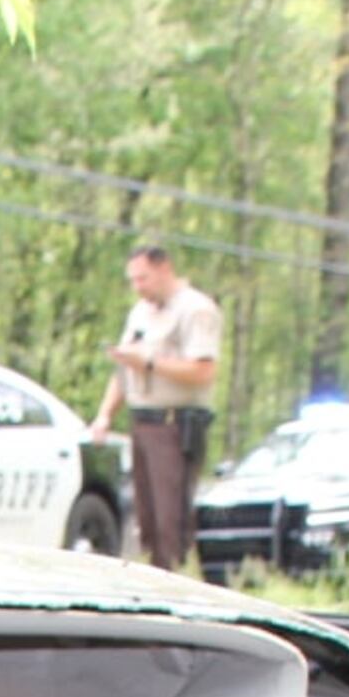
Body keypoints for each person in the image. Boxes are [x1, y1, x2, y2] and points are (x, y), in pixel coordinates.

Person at [85, 243, 222, 572]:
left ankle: (175, 583)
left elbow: (203, 371)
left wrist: (149, 363)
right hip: (142, 422)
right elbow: (124, 369)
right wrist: (105, 415)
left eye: (143, 278)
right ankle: (151, 577)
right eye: (133, 280)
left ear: (164, 269)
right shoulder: (140, 313)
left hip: (175, 426)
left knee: (169, 520)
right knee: (145, 520)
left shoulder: (195, 310)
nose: (138, 287)